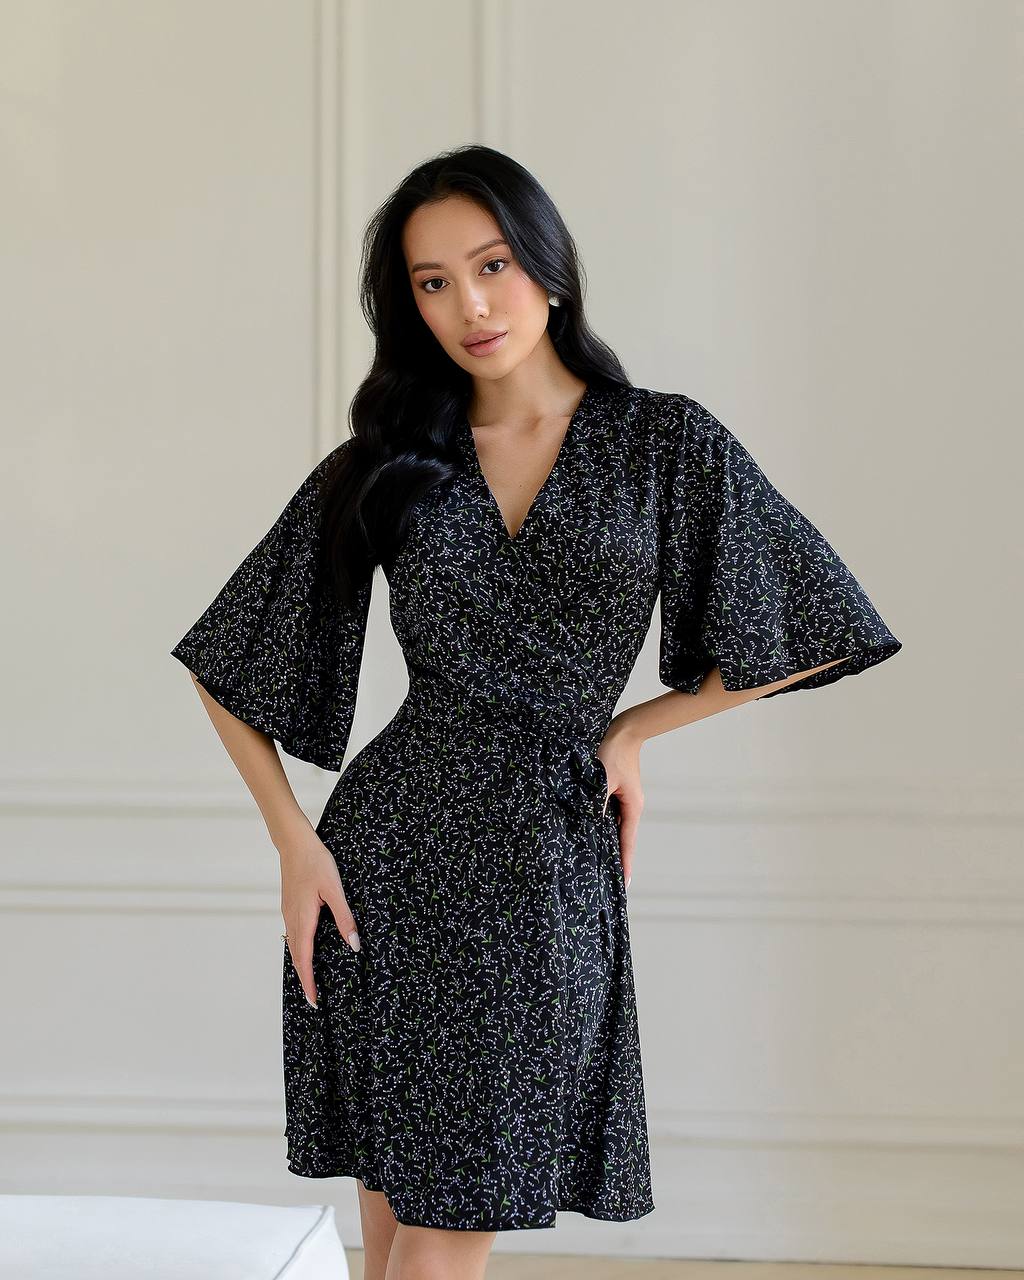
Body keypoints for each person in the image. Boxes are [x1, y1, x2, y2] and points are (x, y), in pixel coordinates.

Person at [170, 144, 902, 1280]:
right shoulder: (391, 461)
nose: (468, 303)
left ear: (549, 269)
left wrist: (631, 730)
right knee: (393, 1249)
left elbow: (812, 622)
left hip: (542, 869)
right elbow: (231, 660)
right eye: (430, 281)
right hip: (385, 862)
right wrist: (294, 842)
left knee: (437, 1238)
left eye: (493, 264)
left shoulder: (665, 442)